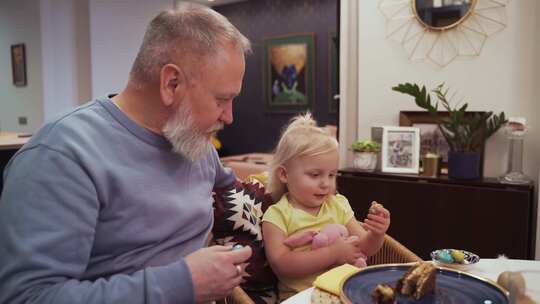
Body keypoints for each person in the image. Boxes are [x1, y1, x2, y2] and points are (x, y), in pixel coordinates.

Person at [0, 4, 253, 304]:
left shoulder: (192, 140)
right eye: (222, 99)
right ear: (171, 83)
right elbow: (29, 297)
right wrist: (183, 283)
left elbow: (238, 193)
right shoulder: (62, 156)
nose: (229, 116)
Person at [261, 113, 391, 300]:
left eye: (331, 175)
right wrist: (333, 253)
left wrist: (377, 234)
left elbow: (364, 247)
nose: (326, 184)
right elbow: (282, 264)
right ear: (284, 174)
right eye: (315, 175)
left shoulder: (337, 204)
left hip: (343, 292)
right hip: (302, 297)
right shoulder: (277, 215)